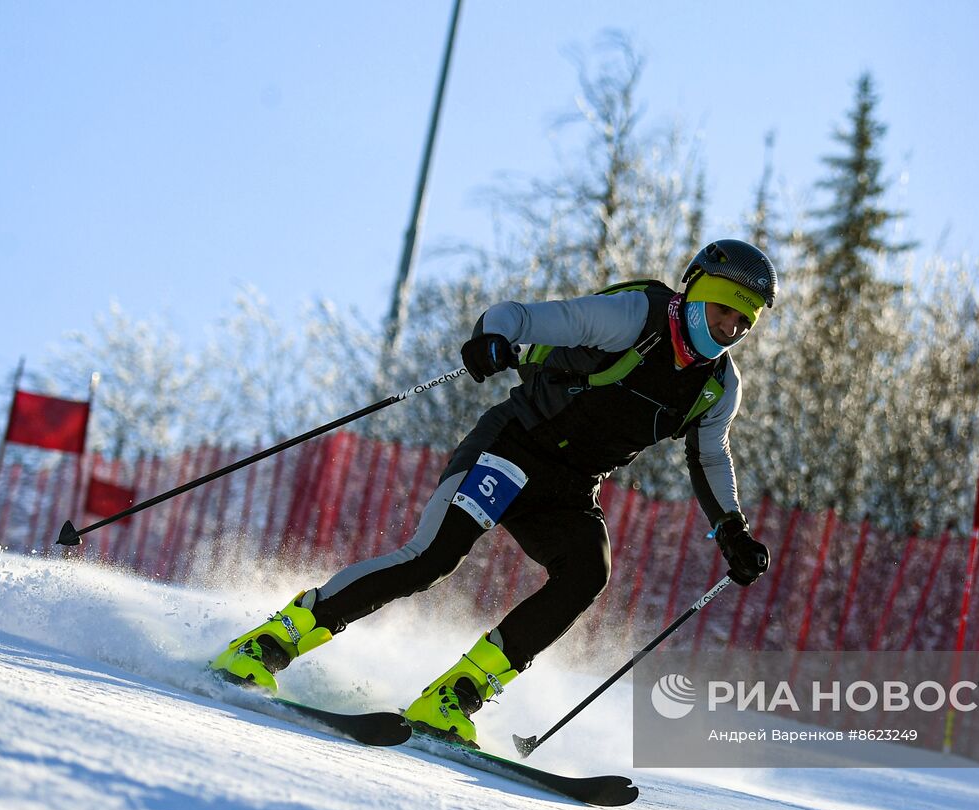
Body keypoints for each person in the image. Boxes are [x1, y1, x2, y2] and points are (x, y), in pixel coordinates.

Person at [209, 239, 776, 747]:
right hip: (513, 448)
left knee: (586, 572)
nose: (729, 326)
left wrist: (732, 530)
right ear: (695, 291)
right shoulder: (635, 315)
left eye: (742, 322)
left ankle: (456, 695)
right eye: (723, 309)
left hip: (570, 487)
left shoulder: (718, 386)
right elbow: (519, 317)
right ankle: (267, 644)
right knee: (431, 559)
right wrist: (493, 338)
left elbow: (708, 455)